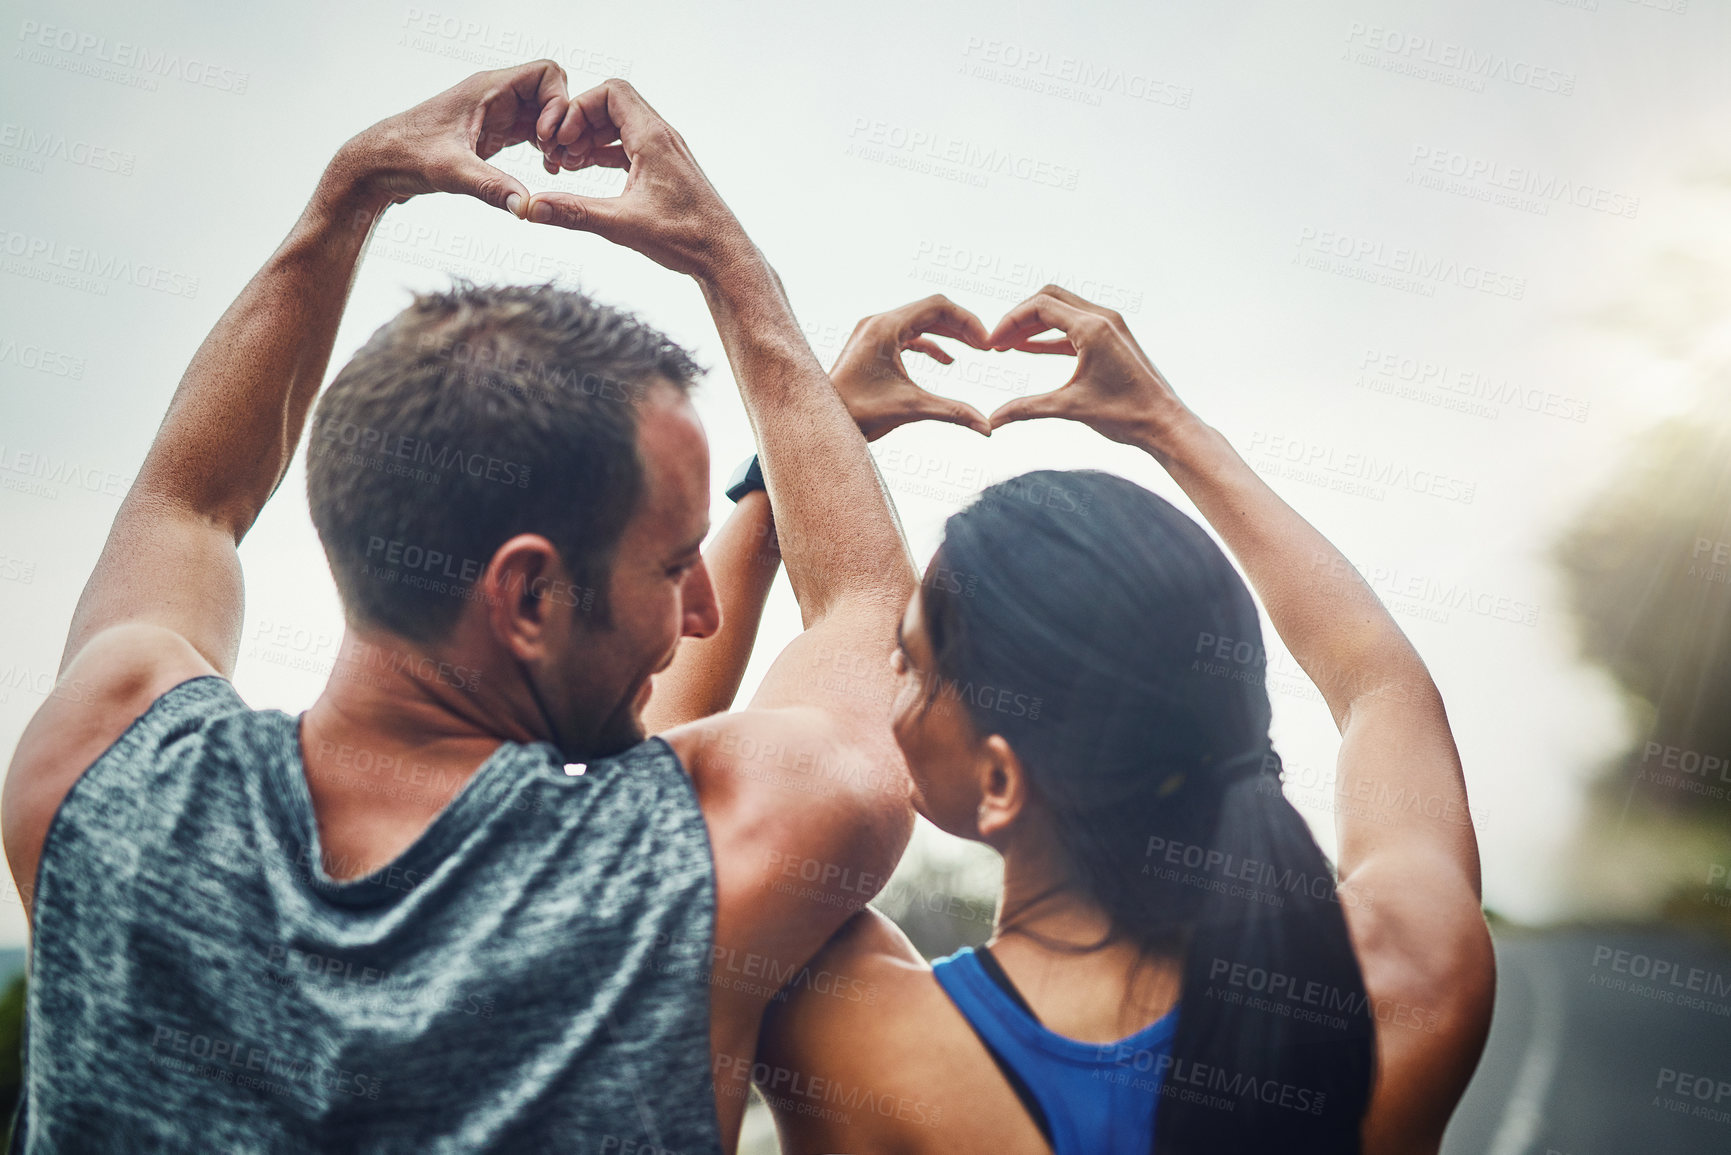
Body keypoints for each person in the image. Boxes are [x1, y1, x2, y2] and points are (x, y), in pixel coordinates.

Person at [0, 61, 986, 1153]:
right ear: (526, 595)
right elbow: (864, 618)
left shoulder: (97, 768)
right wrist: (730, 268)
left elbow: (185, 504)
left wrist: (347, 196)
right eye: (671, 566)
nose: (702, 609)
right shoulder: (689, 866)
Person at [751, 288, 1496, 1154]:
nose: (888, 682)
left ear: (999, 779)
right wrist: (1167, 424)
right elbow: (1380, 684)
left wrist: (777, 469)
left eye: (912, 664)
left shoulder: (858, 1032)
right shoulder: (1409, 973)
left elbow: (664, 807)